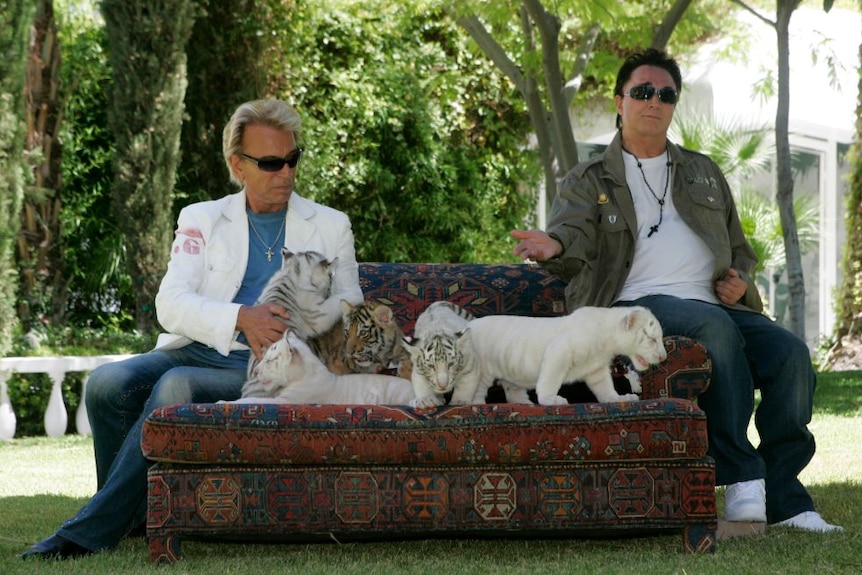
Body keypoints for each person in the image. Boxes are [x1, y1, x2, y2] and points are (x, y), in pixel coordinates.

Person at [512, 48, 842, 533]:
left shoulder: (702, 171)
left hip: (714, 305)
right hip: (631, 307)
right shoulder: (589, 178)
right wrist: (553, 242)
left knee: (791, 353)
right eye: (643, 92)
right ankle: (742, 477)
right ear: (619, 101)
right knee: (711, 325)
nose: (655, 101)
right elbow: (573, 235)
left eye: (666, 94)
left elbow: (737, 247)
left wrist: (739, 280)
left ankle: (789, 501)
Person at [21, 99, 364, 559]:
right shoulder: (200, 218)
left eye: (292, 159)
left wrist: (294, 332)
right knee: (106, 384)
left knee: (174, 385)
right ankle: (133, 515)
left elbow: (350, 307)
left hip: (272, 367)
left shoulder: (331, 225)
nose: (286, 173)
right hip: (202, 346)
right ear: (237, 165)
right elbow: (171, 303)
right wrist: (241, 317)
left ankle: (90, 530)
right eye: (270, 163)